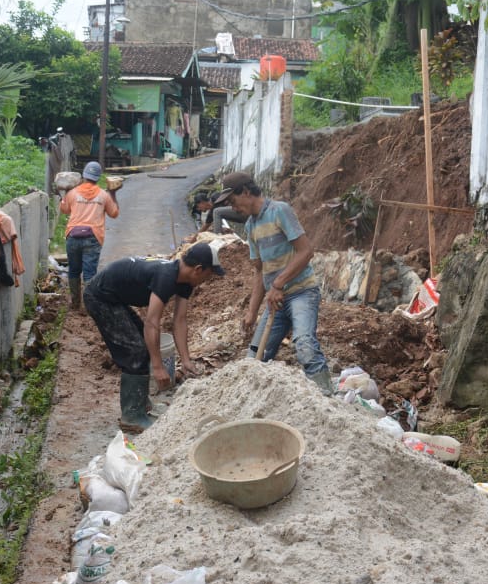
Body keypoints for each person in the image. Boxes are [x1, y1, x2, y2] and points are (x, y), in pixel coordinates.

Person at [82, 242, 225, 432]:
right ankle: (132, 416)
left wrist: (186, 360)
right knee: (136, 350)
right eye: (209, 274)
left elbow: (180, 321)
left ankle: (139, 402)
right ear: (199, 269)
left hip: (115, 298)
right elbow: (152, 322)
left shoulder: (185, 282)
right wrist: (157, 367)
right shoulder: (166, 277)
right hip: (99, 297)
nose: (209, 279)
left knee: (142, 345)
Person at [212, 171, 332, 394]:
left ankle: (327, 397)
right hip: (275, 301)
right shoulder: (251, 227)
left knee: (304, 345)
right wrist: (251, 312)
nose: (233, 208)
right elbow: (259, 273)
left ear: (246, 192)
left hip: (301, 292)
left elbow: (306, 251)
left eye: (233, 201)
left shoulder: (280, 211)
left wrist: (278, 284)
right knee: (255, 355)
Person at [58, 161, 120, 309]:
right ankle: (88, 306)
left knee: (73, 270)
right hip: (93, 237)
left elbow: (64, 210)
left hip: (73, 235)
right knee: (89, 273)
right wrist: (113, 193)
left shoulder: (73, 193)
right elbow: (114, 213)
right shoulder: (104, 195)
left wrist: (64, 194)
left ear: (84, 176)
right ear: (98, 178)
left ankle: (75, 303)